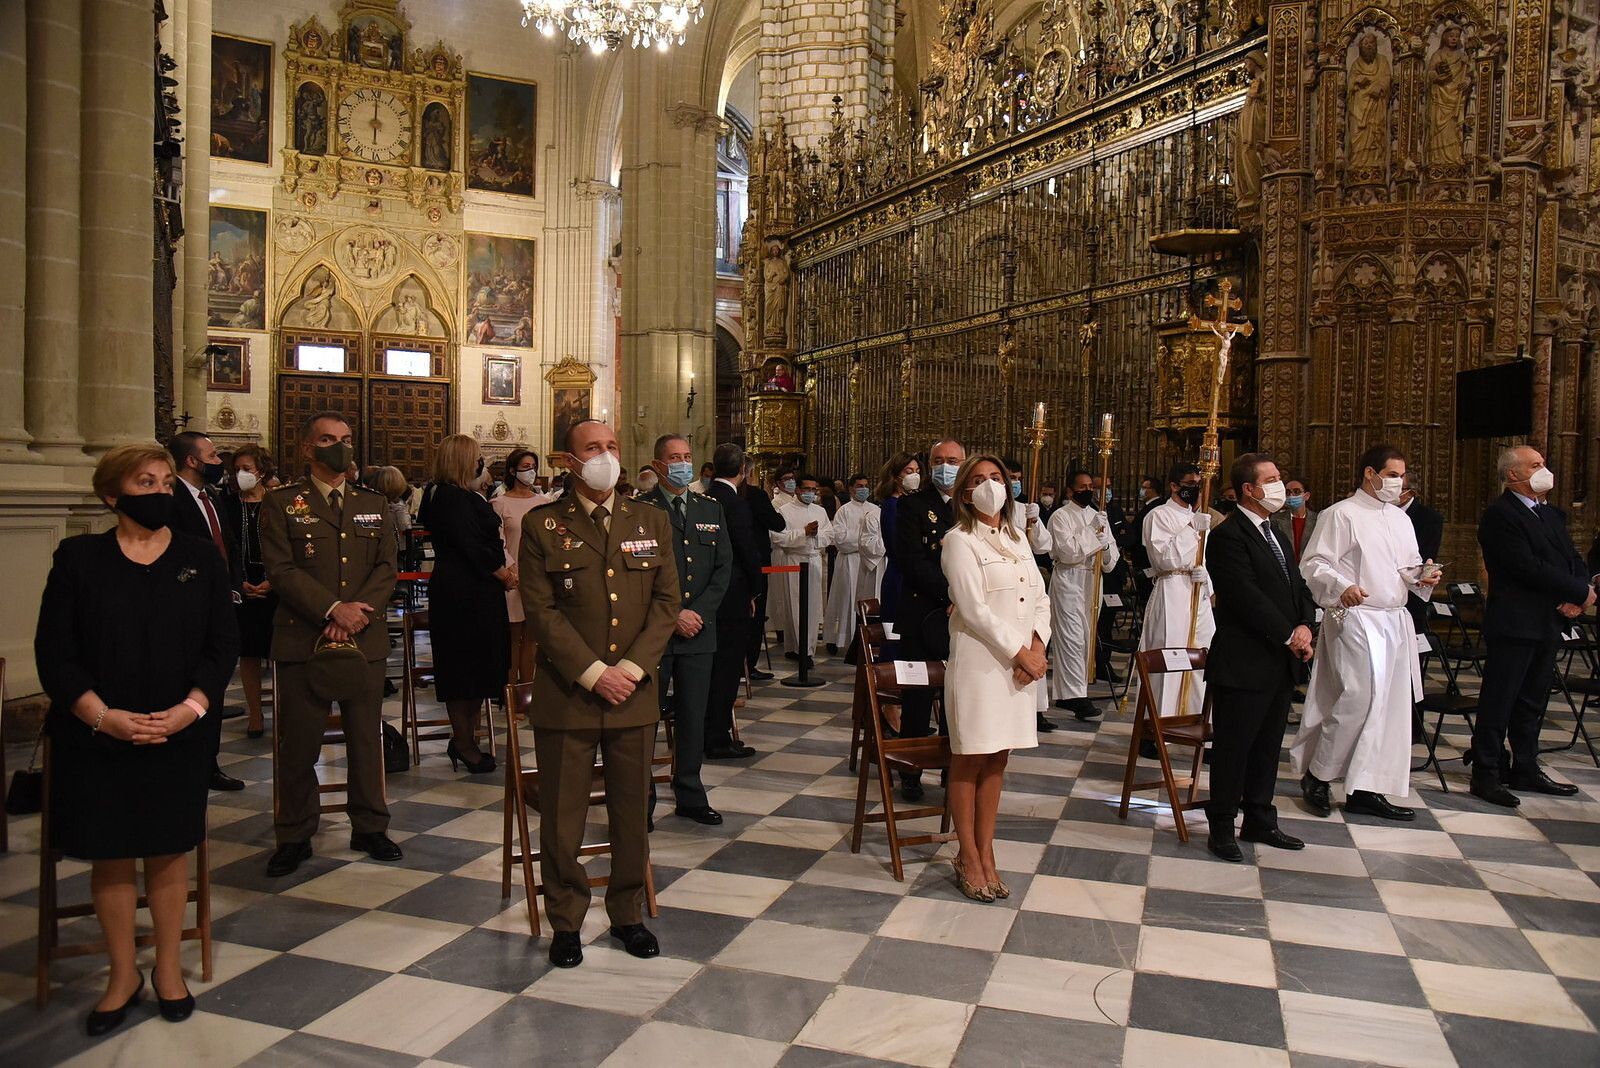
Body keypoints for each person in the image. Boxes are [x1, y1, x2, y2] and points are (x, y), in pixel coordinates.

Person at [35, 444, 239, 1035]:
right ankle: (122, 973)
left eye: (167, 482)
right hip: (99, 734)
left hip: (177, 732)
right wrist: (102, 717)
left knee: (169, 849)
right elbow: (57, 653)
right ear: (112, 495)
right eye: (145, 482)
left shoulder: (200, 558)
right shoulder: (78, 559)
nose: (159, 492)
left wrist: (191, 709)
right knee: (113, 850)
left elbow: (220, 646)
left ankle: (169, 968)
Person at [518, 418, 678, 968]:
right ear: (570, 460)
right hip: (570, 694)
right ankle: (566, 919)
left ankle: (628, 914)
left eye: (611, 447)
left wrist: (630, 668)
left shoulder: (650, 519)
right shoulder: (543, 525)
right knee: (563, 817)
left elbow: (665, 602)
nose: (605, 456)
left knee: (632, 812)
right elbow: (540, 611)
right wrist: (593, 672)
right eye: (593, 448)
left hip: (633, 692)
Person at [261, 411, 402, 876]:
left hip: (364, 636)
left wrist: (356, 612)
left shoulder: (373, 503)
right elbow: (281, 570)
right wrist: (330, 610)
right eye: (326, 439)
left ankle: (370, 825)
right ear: (307, 448)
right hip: (304, 636)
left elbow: (385, 567)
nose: (337, 446)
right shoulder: (282, 503)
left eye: (344, 438)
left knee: (366, 738)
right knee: (299, 742)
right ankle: (295, 832)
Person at [1291, 445, 1441, 821]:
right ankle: (1319, 774)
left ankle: (1366, 787)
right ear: (1370, 473)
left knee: (1389, 704)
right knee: (1358, 696)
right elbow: (1314, 564)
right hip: (1354, 614)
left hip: (1393, 617)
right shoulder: (1341, 513)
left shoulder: (1400, 519)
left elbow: (1407, 569)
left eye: (1402, 475)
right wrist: (1342, 585)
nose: (1398, 482)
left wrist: (1424, 576)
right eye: (1392, 474)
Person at [940, 454, 1050, 901]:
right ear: (966, 492)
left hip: (1019, 667)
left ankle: (988, 851)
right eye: (980, 480)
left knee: (999, 758)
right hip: (982, 663)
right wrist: (1020, 651)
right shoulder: (959, 540)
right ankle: (968, 854)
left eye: (997, 478)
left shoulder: (1017, 536)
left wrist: (1039, 645)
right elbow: (974, 609)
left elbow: (1039, 595)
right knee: (971, 755)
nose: (991, 485)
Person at [1203, 454, 1316, 861]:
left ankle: (1260, 819)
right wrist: (1290, 634)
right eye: (1271, 480)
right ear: (1249, 490)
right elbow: (1245, 596)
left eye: (1280, 478)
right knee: (1235, 747)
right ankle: (1221, 826)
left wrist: (1306, 625)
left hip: (1279, 658)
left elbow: (1296, 586)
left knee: (1268, 746)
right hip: (1244, 660)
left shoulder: (1276, 533)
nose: (1280, 486)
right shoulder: (1228, 536)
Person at [1469, 446, 1594, 806]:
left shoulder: (1552, 514)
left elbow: (1571, 557)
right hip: (1515, 621)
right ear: (1513, 475)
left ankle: (1526, 765)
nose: (1544, 470)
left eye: (1543, 464)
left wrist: (1581, 591)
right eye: (1536, 465)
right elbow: (1526, 567)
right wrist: (1576, 592)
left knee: (1533, 700)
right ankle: (1486, 772)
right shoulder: (1500, 515)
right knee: (1500, 700)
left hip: (1546, 621)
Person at [639, 433, 734, 819]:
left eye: (688, 456)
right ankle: (640, 799)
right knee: (646, 717)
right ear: (659, 466)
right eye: (675, 457)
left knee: (694, 715)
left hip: (699, 631)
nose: (683, 463)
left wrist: (698, 613)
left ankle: (691, 793)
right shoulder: (640, 510)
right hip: (654, 634)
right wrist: (673, 613)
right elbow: (639, 575)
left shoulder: (709, 508)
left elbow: (723, 567)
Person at [419, 434, 513, 774]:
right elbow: (470, 544)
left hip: (478, 591)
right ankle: (463, 741)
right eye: (476, 459)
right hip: (461, 593)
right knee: (463, 668)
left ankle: (467, 736)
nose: (481, 465)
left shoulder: (462, 495)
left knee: (481, 666)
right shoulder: (449, 498)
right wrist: (501, 572)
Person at [167, 431, 245, 792]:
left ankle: (209, 761)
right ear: (192, 461)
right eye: (213, 456)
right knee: (189, 684)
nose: (219, 463)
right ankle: (188, 760)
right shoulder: (173, 498)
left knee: (214, 682)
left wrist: (237, 582)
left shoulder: (210, 496)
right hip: (187, 606)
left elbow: (226, 542)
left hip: (221, 601)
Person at [895, 437, 966, 801]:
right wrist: (952, 594)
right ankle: (911, 768)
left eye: (953, 459)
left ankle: (957, 767)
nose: (945, 466)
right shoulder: (913, 505)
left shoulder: (970, 506)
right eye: (939, 459)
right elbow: (913, 561)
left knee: (959, 695)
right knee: (919, 696)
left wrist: (966, 599)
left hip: (965, 618)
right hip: (924, 611)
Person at [1138, 463, 1215, 718]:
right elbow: (1164, 559)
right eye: (1190, 485)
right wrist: (1192, 529)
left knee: (1203, 656)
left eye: (1198, 485)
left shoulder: (1201, 519)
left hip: (1198, 592)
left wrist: (1207, 579)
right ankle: (1157, 726)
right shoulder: (1158, 515)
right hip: (1171, 589)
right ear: (1174, 486)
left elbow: (1206, 559)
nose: (1194, 490)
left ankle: (1196, 719)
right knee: (1169, 656)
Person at [704, 444, 761, 760]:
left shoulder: (703, 497)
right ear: (743, 471)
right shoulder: (735, 503)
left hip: (708, 595)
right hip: (732, 595)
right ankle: (717, 737)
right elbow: (746, 550)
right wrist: (754, 590)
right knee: (726, 670)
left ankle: (709, 731)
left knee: (712, 668)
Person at [1047, 471, 1119, 722]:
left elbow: (1111, 560)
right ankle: (1073, 696)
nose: (1088, 490)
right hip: (1069, 579)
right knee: (1072, 637)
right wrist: (1091, 533)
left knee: (1087, 636)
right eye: (1083, 487)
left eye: (1091, 486)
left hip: (1092, 578)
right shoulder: (1060, 516)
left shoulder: (1097, 516)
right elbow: (1068, 552)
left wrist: (1105, 545)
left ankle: (1075, 690)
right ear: (1070, 491)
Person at [221, 446, 277, 739]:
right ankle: (255, 712)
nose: (241, 474)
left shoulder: (277, 503)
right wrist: (238, 581)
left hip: (276, 585)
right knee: (249, 651)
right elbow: (226, 547)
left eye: (247, 468)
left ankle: (283, 708)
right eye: (237, 468)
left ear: (262, 471)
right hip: (241, 584)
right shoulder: (228, 504)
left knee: (279, 647)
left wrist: (273, 580)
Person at [494, 449, 554, 685]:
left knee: (532, 639)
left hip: (538, 578)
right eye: (525, 466)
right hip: (512, 577)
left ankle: (528, 694)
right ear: (512, 470)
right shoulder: (499, 503)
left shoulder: (544, 503)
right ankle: (510, 694)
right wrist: (510, 570)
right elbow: (497, 542)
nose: (531, 472)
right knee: (512, 640)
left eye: (533, 466)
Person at [773, 474, 835, 666]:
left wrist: (816, 536)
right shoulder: (784, 511)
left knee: (812, 607)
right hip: (794, 559)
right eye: (807, 489)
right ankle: (794, 647)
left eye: (813, 490)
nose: (810, 493)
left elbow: (830, 534)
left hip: (814, 560)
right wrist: (803, 533)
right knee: (795, 605)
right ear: (798, 490)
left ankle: (807, 650)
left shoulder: (820, 511)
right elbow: (778, 537)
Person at [824, 474, 885, 654]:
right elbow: (840, 539)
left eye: (866, 485)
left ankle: (863, 641)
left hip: (871, 564)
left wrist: (863, 539)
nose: (863, 489)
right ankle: (840, 638)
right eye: (859, 486)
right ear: (851, 489)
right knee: (845, 600)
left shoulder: (876, 510)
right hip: (849, 562)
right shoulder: (844, 510)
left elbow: (880, 540)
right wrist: (862, 539)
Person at [743, 461, 785, 681]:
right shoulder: (755, 495)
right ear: (746, 472)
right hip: (755, 562)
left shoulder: (711, 493)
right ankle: (748, 664)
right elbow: (778, 523)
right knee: (754, 614)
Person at [875, 452, 921, 642]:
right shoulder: (893, 505)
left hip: (908, 575)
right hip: (899, 575)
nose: (914, 475)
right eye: (908, 471)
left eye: (917, 471)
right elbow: (898, 545)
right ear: (895, 476)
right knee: (896, 636)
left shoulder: (907, 503)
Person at [1398, 475, 1445, 633]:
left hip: (1412, 590)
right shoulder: (1381, 513)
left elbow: (1425, 556)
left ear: (1411, 493)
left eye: (1400, 488)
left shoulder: (1429, 518)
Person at [1269, 475, 1319, 563]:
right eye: (1288, 492)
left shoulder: (1318, 520)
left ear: (1306, 496)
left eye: (1296, 491)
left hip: (1309, 569)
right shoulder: (1276, 519)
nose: (1291, 495)